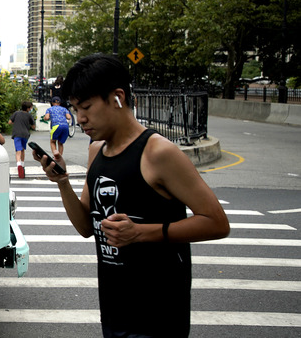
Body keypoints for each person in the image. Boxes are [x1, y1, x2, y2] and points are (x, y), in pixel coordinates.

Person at [33, 53, 230, 338]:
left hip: (158, 314)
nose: (81, 118)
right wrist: (63, 182)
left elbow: (216, 222)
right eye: (75, 108)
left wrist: (139, 233)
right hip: (114, 307)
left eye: (86, 106)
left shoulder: (157, 153)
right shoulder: (96, 151)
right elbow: (88, 227)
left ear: (117, 97)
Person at [8, 100, 35, 178]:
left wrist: (16, 123)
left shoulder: (16, 113)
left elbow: (9, 122)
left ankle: (18, 165)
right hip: (25, 134)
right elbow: (33, 127)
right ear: (28, 108)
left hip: (17, 134)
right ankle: (22, 165)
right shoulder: (29, 116)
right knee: (23, 149)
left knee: (18, 150)